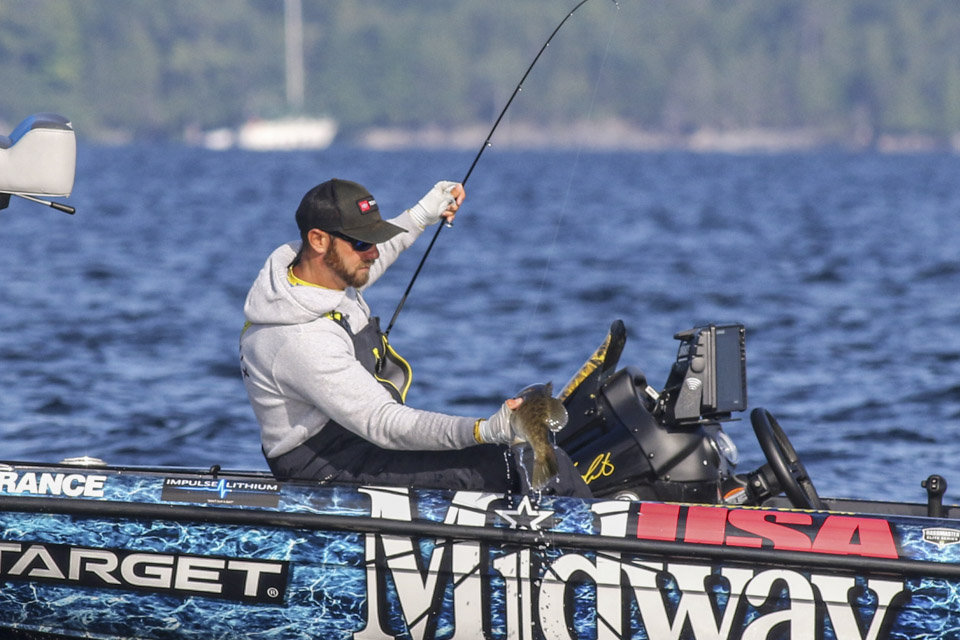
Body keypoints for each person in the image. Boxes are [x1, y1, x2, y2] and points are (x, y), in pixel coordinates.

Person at [239, 178, 589, 497]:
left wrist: (421, 214)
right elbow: (384, 423)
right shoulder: (301, 340)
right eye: (362, 242)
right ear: (318, 240)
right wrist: (484, 431)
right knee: (504, 465)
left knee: (530, 456)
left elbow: (370, 262)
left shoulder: (317, 274)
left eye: (375, 239)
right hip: (327, 467)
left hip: (359, 437)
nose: (373, 252)